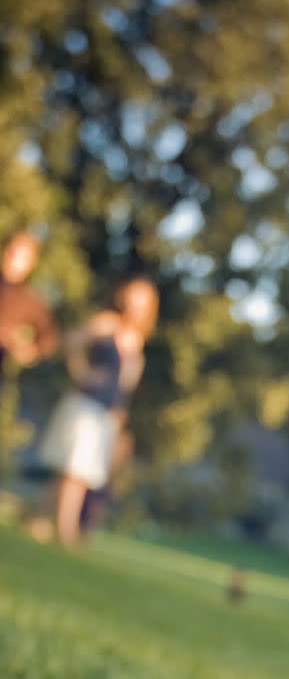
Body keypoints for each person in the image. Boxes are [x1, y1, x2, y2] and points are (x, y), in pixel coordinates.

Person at [39, 277, 158, 546]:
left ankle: (36, 518)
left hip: (106, 414)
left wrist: (119, 413)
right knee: (75, 474)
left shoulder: (136, 340)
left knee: (74, 473)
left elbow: (125, 384)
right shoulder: (107, 324)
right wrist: (81, 371)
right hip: (85, 405)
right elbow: (72, 340)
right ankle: (67, 534)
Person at [0, 230, 58, 375]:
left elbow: (49, 339)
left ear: (32, 262)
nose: (14, 259)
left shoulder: (30, 300)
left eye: (22, 256)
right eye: (12, 251)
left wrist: (29, 351)